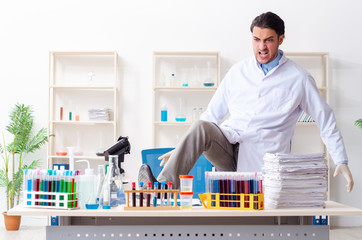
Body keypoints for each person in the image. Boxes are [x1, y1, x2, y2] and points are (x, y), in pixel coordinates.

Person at [139, 11, 354, 192]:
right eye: (256, 39)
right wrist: (182, 149)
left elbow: (325, 118)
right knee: (200, 126)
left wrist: (341, 160)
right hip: (227, 149)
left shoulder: (299, 78)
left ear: (280, 39)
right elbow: (211, 116)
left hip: (262, 158)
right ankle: (162, 188)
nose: (262, 46)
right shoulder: (238, 72)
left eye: (268, 40)